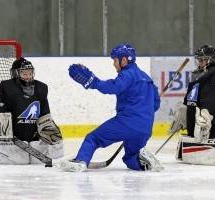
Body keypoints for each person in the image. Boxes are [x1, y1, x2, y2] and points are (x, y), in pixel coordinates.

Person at [59, 43, 163, 172]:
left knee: (93, 138)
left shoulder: (127, 74)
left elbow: (114, 87)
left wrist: (94, 82)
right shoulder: (146, 78)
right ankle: (143, 161)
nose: (114, 63)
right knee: (130, 158)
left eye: (115, 60)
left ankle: (81, 161)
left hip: (127, 122)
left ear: (124, 60)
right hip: (146, 128)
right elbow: (156, 104)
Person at [0, 57, 61, 143]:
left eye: (30, 73)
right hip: (13, 138)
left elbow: (44, 113)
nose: (28, 77)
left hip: (33, 138)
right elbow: (1, 111)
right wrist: (4, 136)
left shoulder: (41, 88)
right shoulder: (7, 87)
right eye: (24, 74)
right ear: (16, 74)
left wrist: (48, 133)